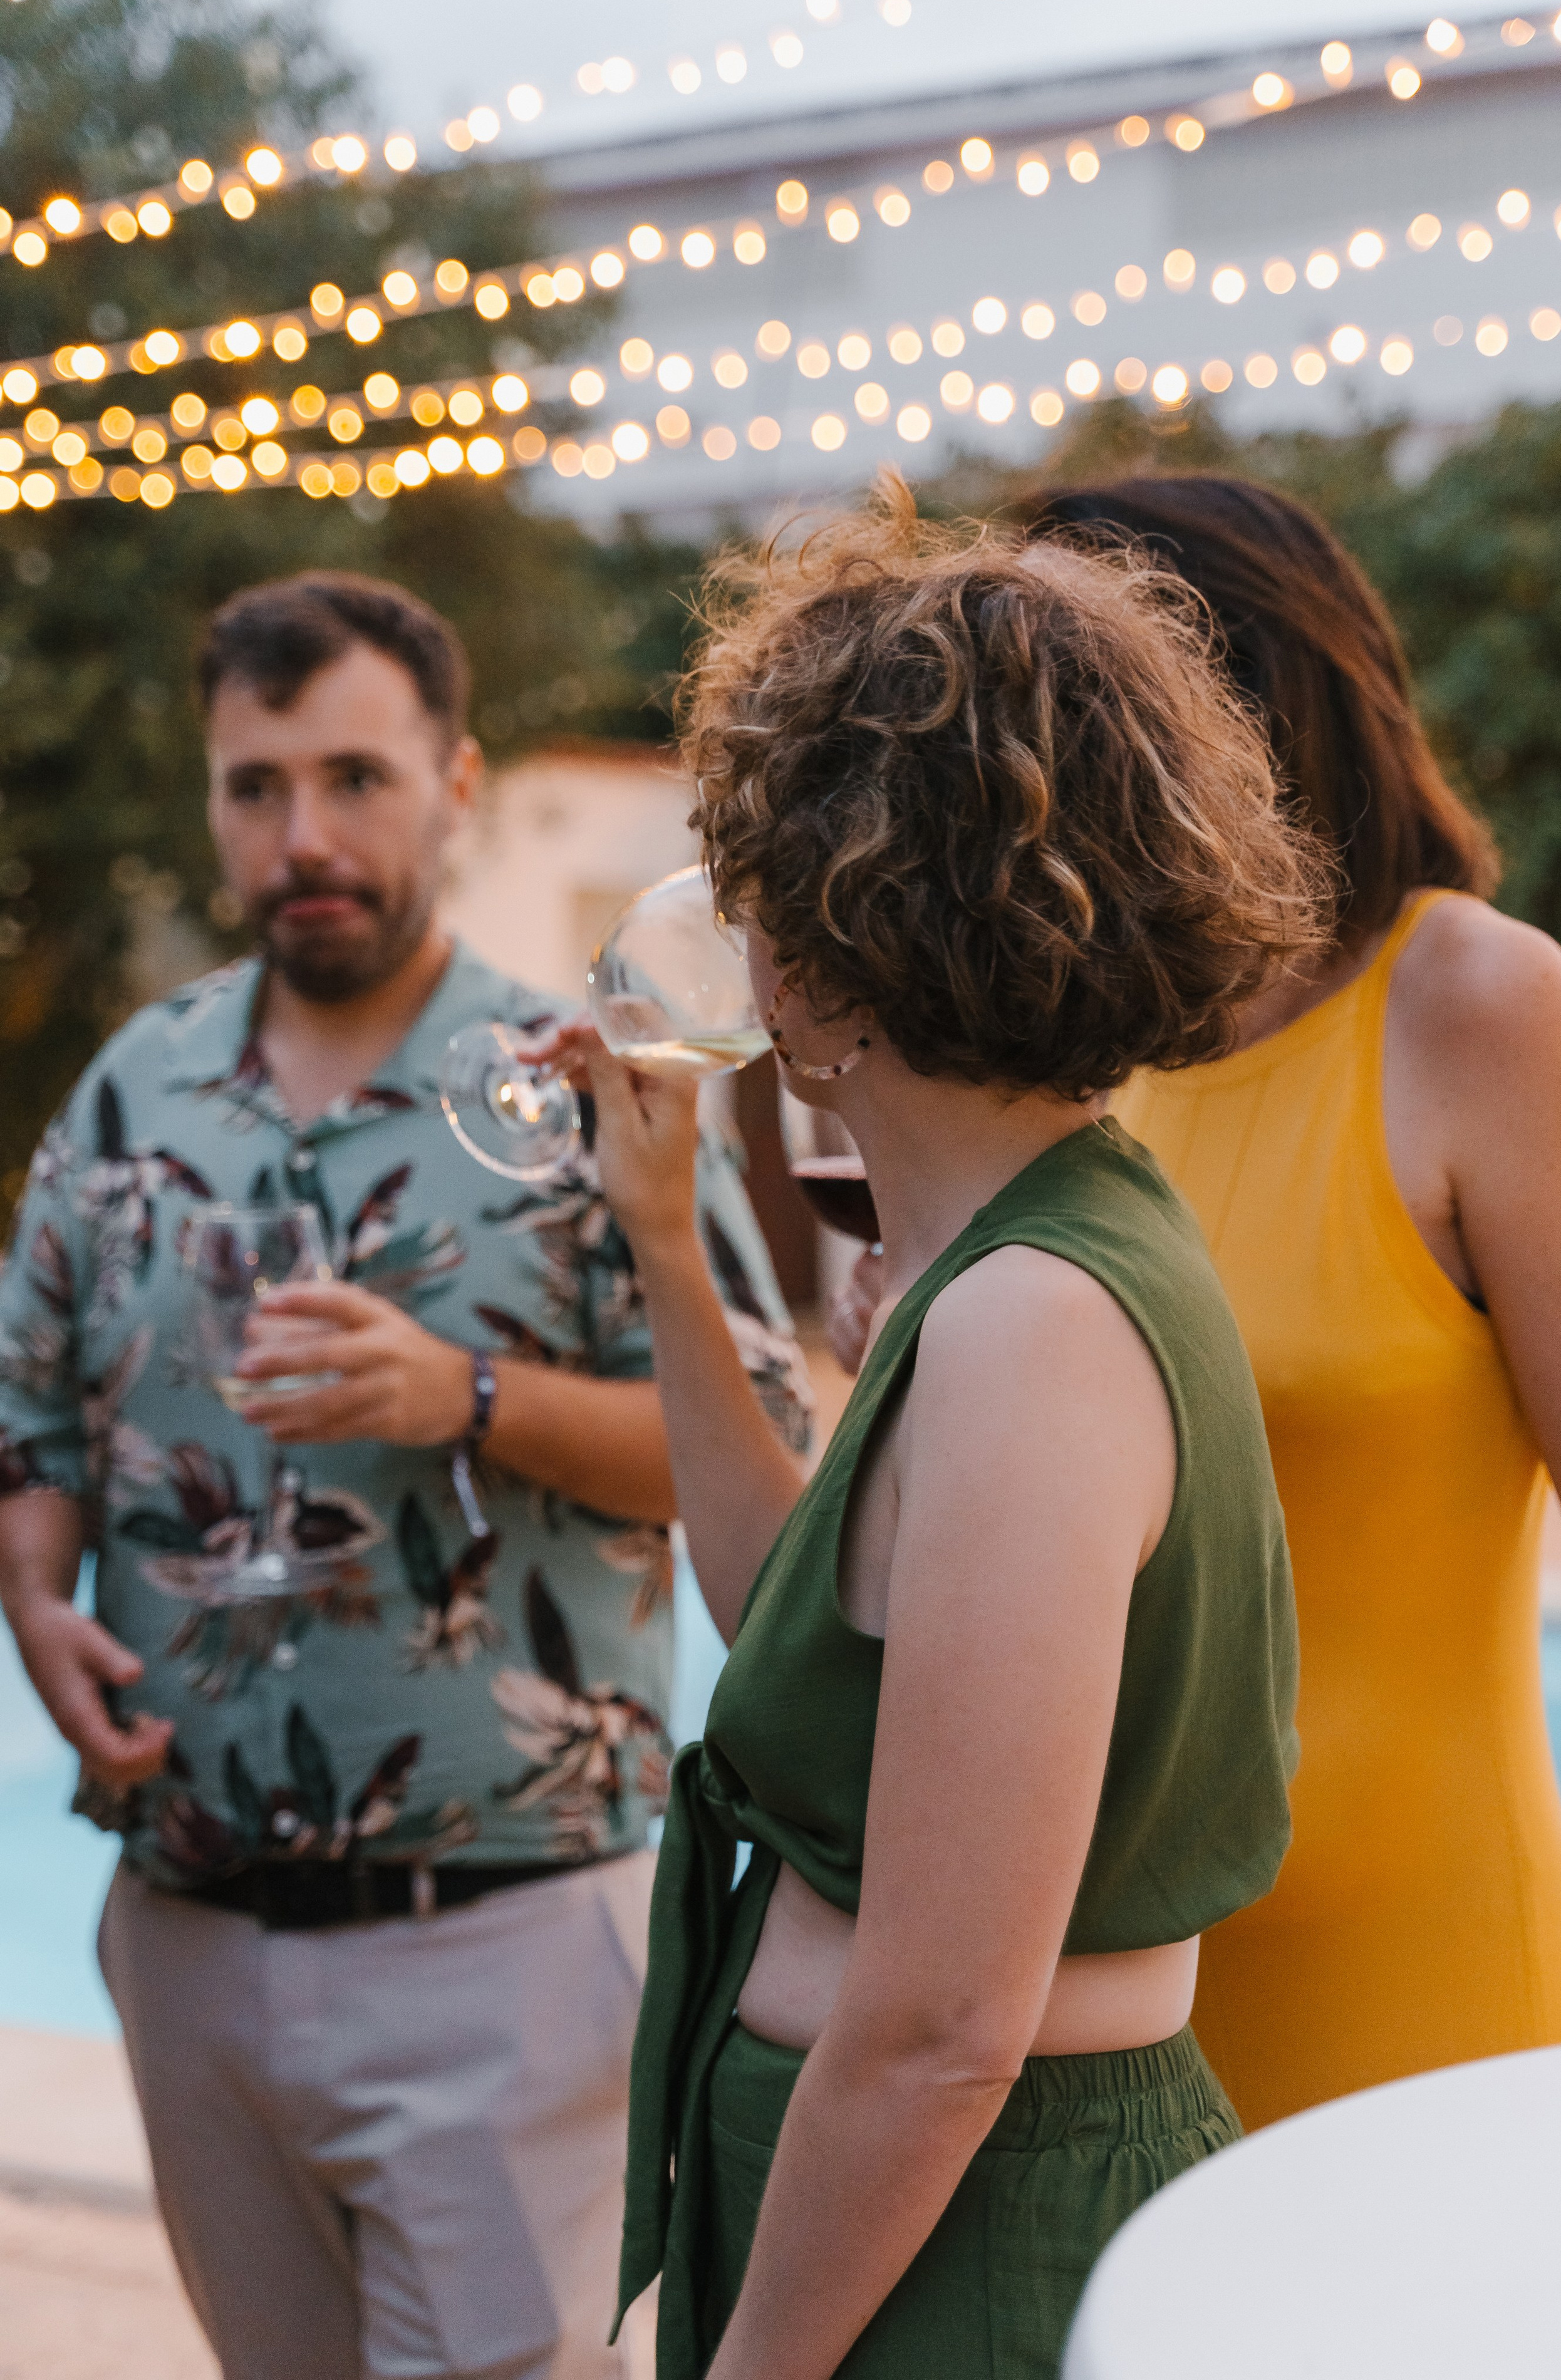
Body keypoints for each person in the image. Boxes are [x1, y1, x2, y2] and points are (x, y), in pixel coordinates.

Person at [0, 572, 809, 2380]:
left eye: (355, 779)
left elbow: (762, 1451)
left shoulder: (588, 1081)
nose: (305, 837)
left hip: (501, 1950)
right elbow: (29, 1416)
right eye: (257, 786)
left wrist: (467, 1393)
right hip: (186, 1938)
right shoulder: (135, 1090)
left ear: (455, 783)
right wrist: (35, 1605)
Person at [556, 481, 1323, 2380]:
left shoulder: (1031, 1326)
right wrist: (664, 1246)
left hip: (963, 2243)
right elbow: (802, 1635)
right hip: (904, 2207)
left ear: (819, 961)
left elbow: (942, 2030)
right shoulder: (1023, 1254)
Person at [1022, 473, 1561, 2129]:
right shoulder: (1065, 1053)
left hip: (1418, 1992)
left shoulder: (1476, 1002)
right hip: (1098, 2004)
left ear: (1242, 705)